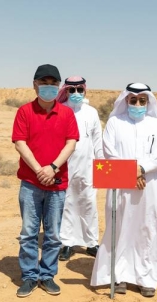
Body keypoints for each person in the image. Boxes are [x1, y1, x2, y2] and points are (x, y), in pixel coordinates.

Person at [90, 83, 157, 297]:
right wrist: (131, 172)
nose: (137, 104)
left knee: (147, 228)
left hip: (148, 186)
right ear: (126, 100)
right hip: (120, 185)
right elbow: (109, 151)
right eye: (133, 100)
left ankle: (146, 279)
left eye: (142, 100)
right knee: (120, 227)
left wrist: (140, 169)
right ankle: (119, 276)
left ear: (148, 102)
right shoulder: (115, 122)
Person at [12, 64, 79, 298]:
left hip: (57, 183)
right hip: (31, 183)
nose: (48, 87)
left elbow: (71, 142)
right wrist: (39, 170)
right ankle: (30, 276)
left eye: (53, 83)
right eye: (44, 83)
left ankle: (47, 275)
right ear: (35, 85)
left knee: (53, 234)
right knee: (29, 232)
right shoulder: (24, 112)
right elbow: (20, 142)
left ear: (58, 86)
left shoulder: (67, 113)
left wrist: (52, 168)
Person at [56, 76, 104, 261]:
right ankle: (67, 243)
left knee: (89, 203)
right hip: (66, 166)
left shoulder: (91, 112)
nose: (76, 94)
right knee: (67, 204)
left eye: (80, 90)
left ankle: (92, 242)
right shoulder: (60, 110)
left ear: (84, 90)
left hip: (89, 166)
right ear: (66, 91)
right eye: (72, 90)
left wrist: (103, 163)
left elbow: (97, 140)